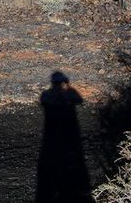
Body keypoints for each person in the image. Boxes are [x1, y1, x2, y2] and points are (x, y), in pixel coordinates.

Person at [36, 71, 92, 203]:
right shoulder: (62, 93)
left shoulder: (47, 94)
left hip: (54, 128)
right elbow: (79, 100)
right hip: (66, 127)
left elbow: (44, 102)